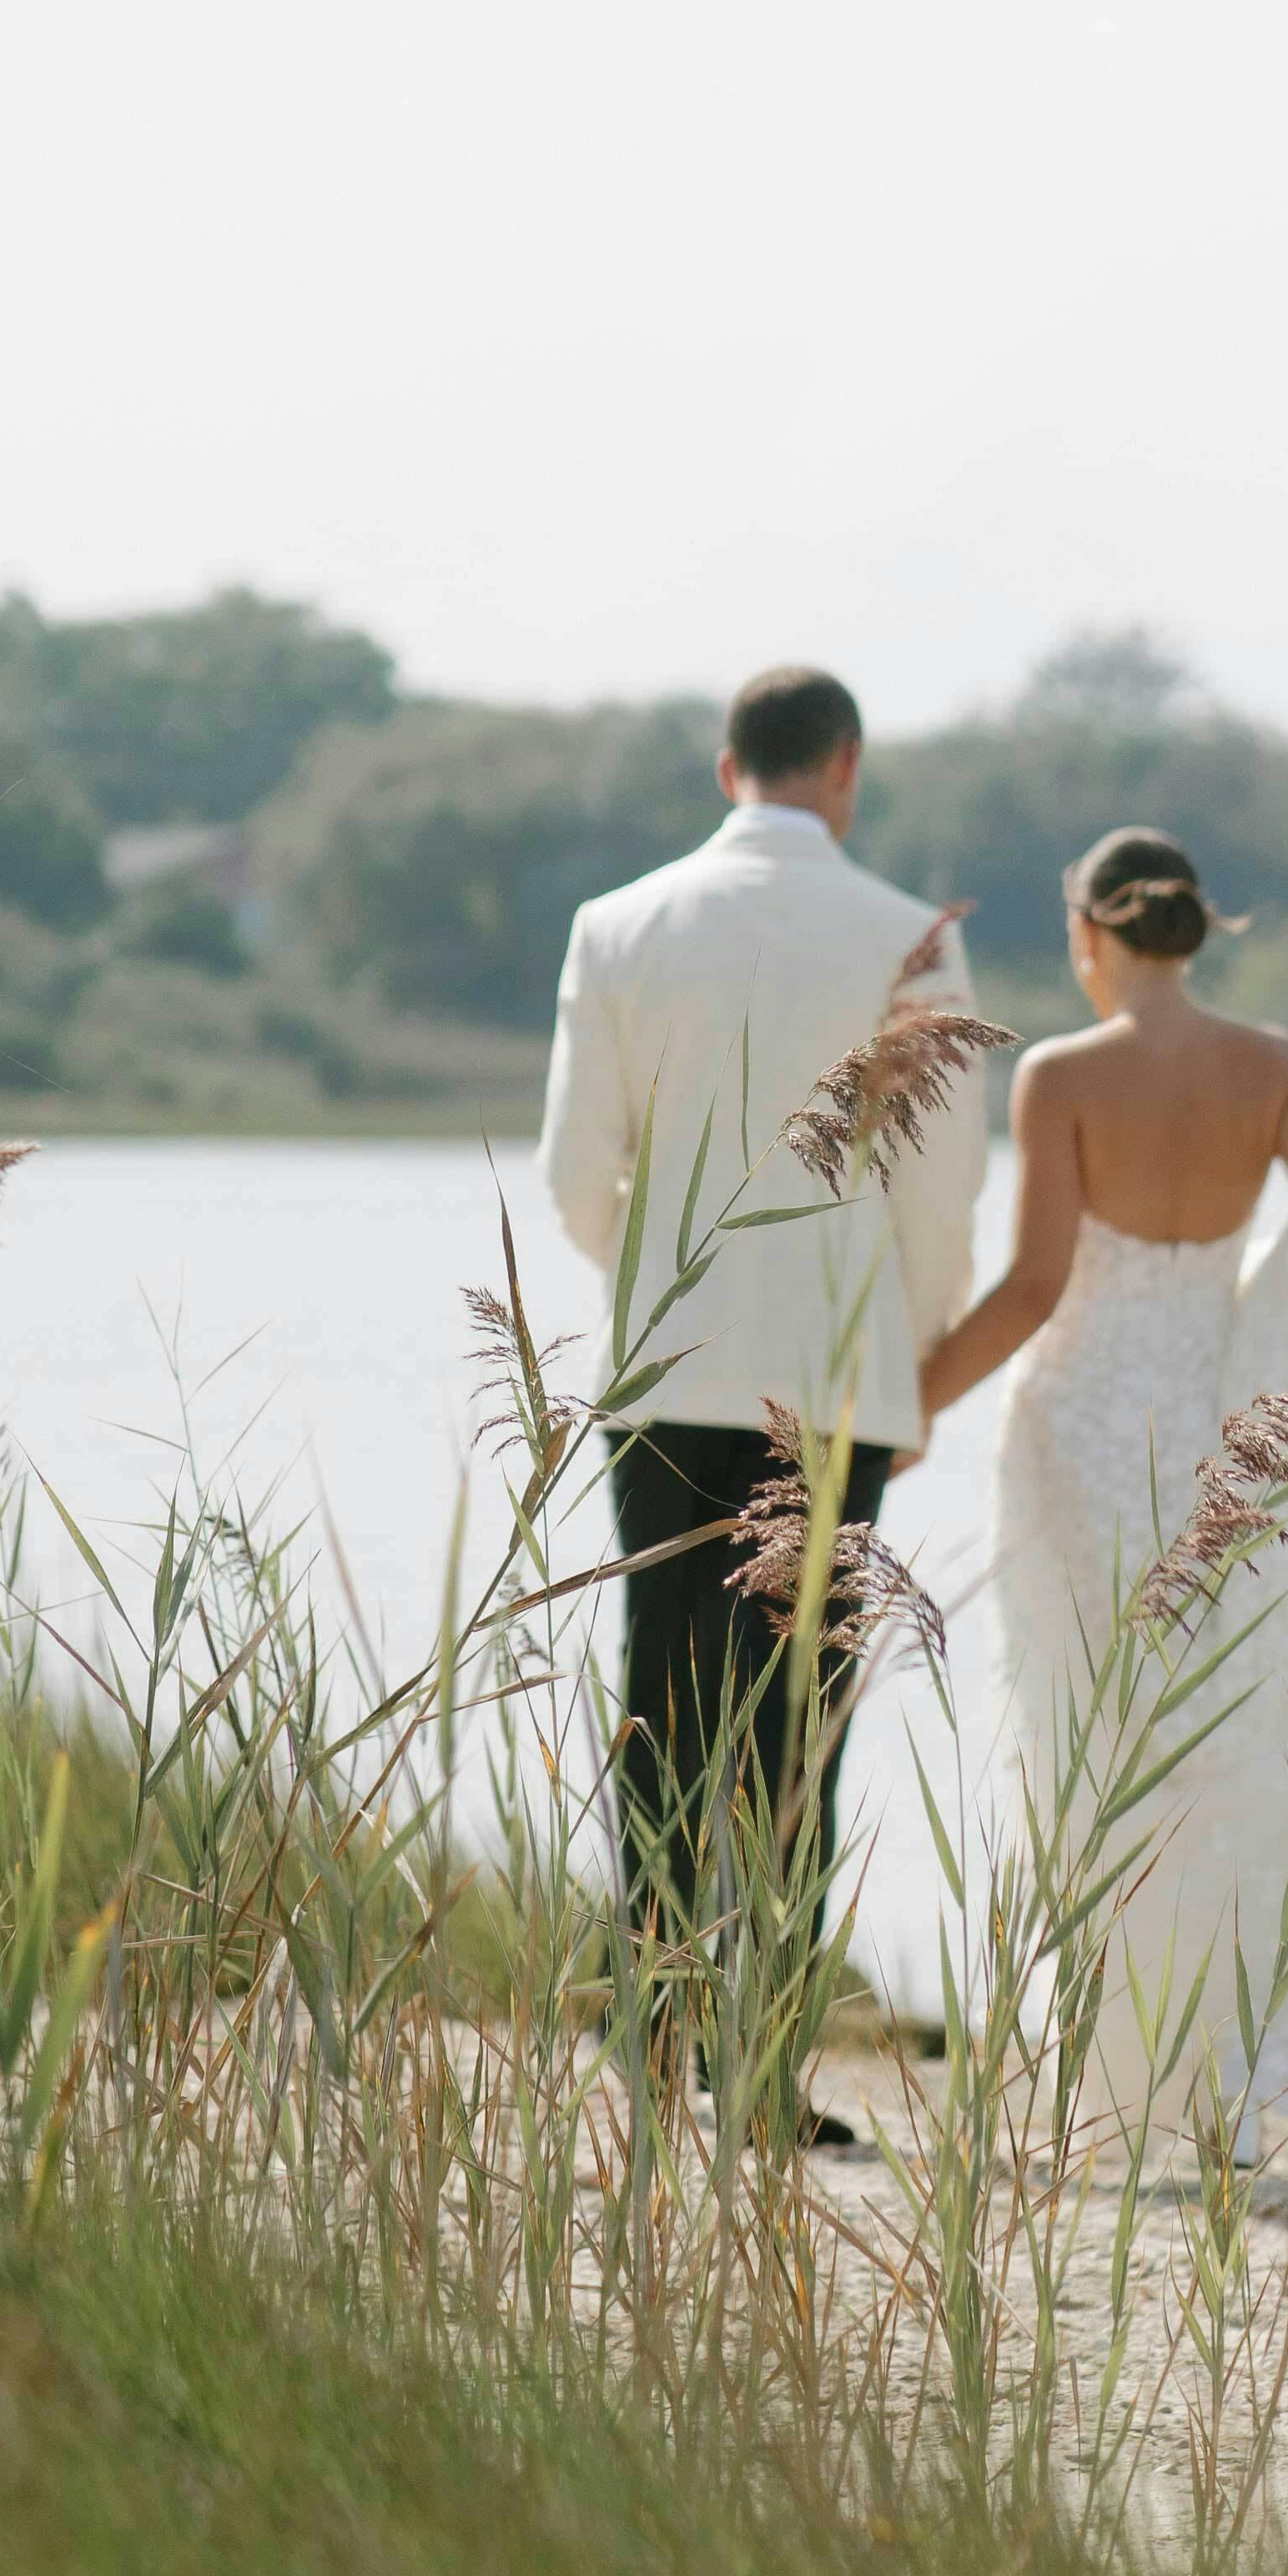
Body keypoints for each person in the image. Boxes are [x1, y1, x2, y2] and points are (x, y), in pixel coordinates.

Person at [915, 824, 1288, 2142]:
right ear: (1192, 927)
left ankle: (1114, 2066)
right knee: (1231, 1731)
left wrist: (907, 1405)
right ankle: (1232, 2062)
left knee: (1094, 1737)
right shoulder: (1276, 1067)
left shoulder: (1063, 1075)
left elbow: (1029, 1291)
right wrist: (1250, 1318)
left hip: (1079, 1433)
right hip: (1228, 1439)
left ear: (1089, 934)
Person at [537, 664, 989, 2076]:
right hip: (839, 1375)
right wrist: (911, 1363)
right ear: (843, 767)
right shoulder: (911, 938)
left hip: (669, 1368)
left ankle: (653, 2031)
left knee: (659, 1698)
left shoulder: (617, 925)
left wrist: (665, 1279)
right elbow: (945, 1189)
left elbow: (571, 1176)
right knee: (801, 1722)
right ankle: (762, 2060)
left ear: (726, 767)